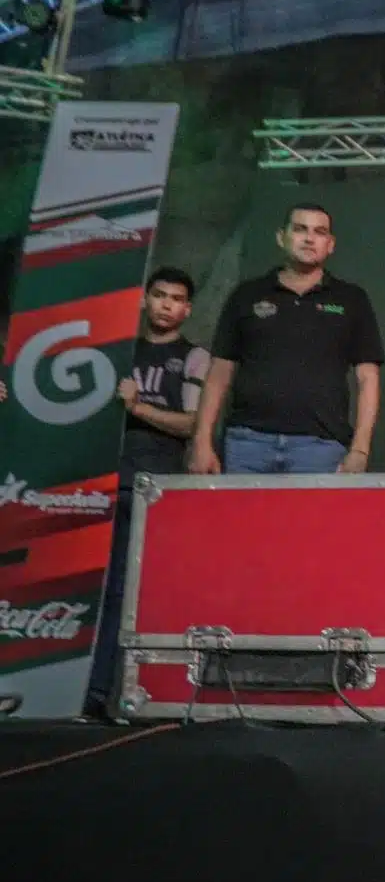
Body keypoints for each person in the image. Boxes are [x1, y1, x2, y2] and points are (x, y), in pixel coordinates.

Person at [84, 267, 210, 719]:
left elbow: (193, 423)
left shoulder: (194, 357)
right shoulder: (117, 352)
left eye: (176, 298)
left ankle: (115, 697)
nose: (166, 304)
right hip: (96, 481)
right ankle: (82, 695)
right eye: (159, 295)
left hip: (155, 487)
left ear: (187, 308)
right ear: (145, 300)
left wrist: (138, 407)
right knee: (87, 592)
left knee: (131, 595)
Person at [191, 205, 384, 475]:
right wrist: (202, 441)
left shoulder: (351, 299)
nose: (309, 238)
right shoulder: (246, 295)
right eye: (300, 229)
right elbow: (220, 372)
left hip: (321, 447)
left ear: (330, 244)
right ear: (281, 237)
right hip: (246, 442)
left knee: (312, 520)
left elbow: (368, 378)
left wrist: (361, 449)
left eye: (319, 232)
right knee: (242, 520)